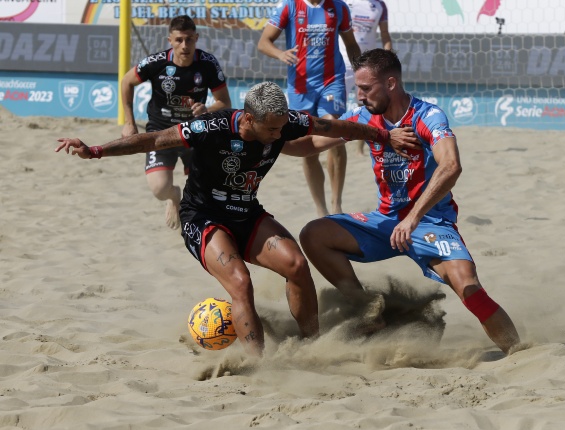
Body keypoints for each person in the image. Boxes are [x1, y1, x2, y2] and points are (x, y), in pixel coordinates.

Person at [55, 81, 419, 358]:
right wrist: (96, 150)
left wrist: (384, 136)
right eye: (272, 130)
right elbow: (153, 140)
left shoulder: (286, 122)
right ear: (248, 118)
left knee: (296, 264)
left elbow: (335, 127)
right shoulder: (211, 128)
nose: (280, 136)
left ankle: (313, 344)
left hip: (246, 212)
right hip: (203, 216)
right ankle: (258, 364)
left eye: (282, 128)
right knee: (241, 282)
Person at [292, 49, 521, 355]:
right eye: (357, 89)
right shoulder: (363, 117)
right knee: (313, 234)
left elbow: (451, 166)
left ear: (390, 83)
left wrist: (413, 217)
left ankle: (519, 352)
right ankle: (366, 312)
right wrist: (267, 135)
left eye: (365, 89)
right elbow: (310, 145)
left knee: (468, 286)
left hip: (428, 222)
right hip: (385, 221)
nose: (359, 97)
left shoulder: (428, 115)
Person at [121, 15, 232, 230]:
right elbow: (127, 81)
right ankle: (174, 197)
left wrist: (207, 109)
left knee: (205, 194)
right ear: (170, 40)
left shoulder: (207, 64)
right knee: (159, 189)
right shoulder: (156, 62)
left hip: (194, 132)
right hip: (161, 132)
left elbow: (225, 102)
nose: (185, 45)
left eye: (189, 39)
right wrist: (129, 122)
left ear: (196, 38)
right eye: (179, 40)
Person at [258, 0, 360, 218]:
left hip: (331, 80)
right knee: (307, 146)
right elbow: (264, 42)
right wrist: (280, 54)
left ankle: (337, 205)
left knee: (334, 129)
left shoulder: (338, 7)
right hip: (300, 87)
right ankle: (321, 208)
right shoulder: (289, 6)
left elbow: (351, 44)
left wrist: (361, 74)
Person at [339, 0, 391, 156]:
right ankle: (335, 145)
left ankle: (360, 148)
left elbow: (385, 35)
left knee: (366, 106)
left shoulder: (380, 5)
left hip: (368, 64)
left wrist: (387, 58)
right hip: (344, 62)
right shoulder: (344, 3)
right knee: (336, 106)